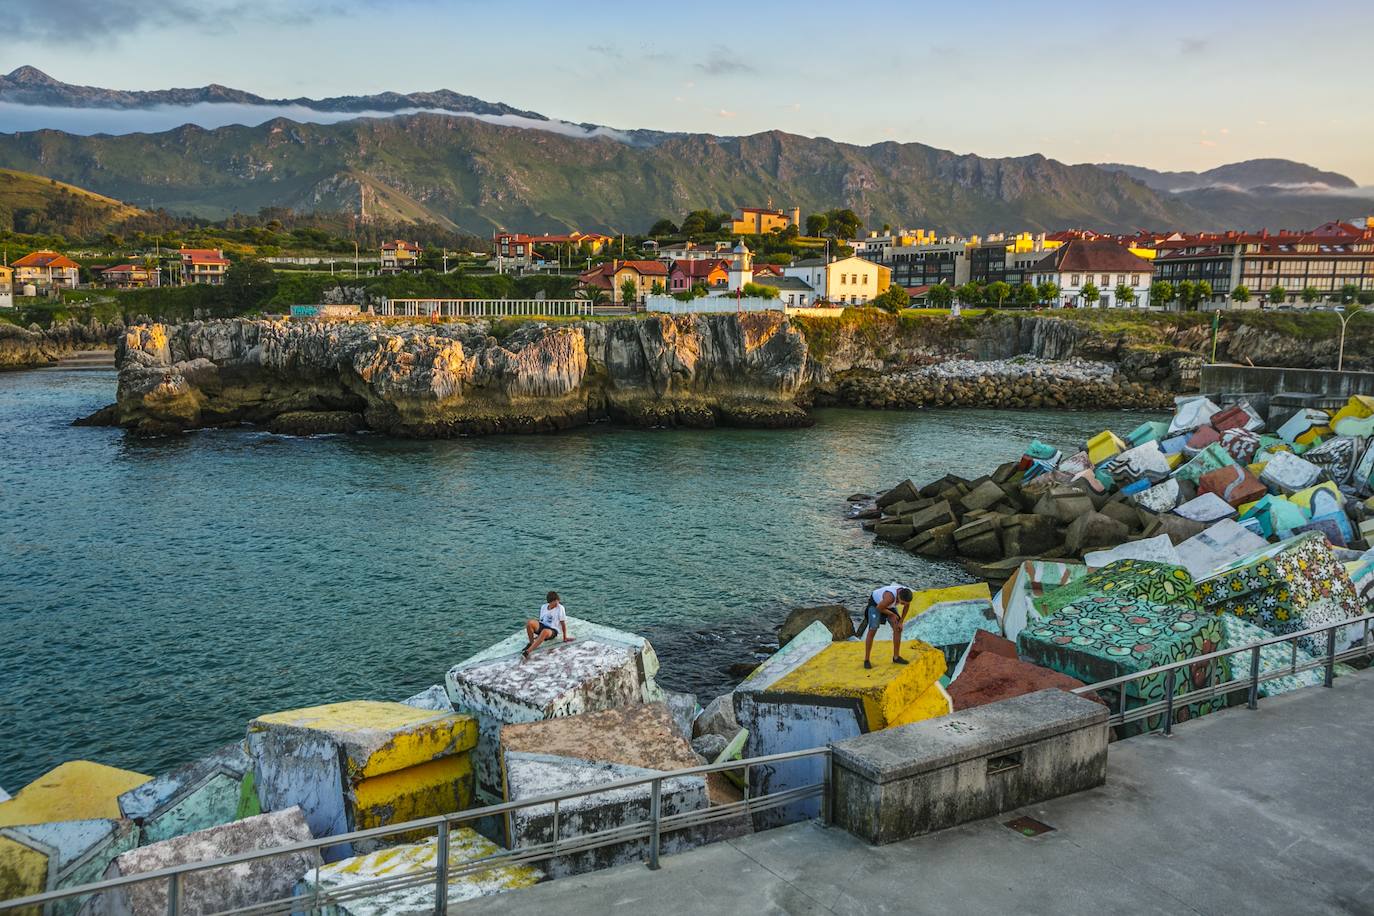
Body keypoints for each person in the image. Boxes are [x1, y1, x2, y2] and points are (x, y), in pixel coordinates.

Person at [861, 584, 913, 669]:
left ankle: (896, 657)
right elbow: (879, 608)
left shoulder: (906, 595)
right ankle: (866, 660)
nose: (903, 605)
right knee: (873, 629)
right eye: (902, 603)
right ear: (899, 596)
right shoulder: (890, 597)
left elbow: (906, 607)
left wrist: (901, 621)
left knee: (898, 629)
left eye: (905, 603)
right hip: (876, 604)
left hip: (888, 606)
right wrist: (892, 614)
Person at [522, 591, 573, 659]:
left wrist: (565, 637)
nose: (557, 602)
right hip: (543, 625)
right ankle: (532, 643)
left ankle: (528, 652)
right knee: (529, 623)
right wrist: (539, 636)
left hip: (552, 630)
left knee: (545, 631)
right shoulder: (544, 607)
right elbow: (541, 620)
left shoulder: (560, 608)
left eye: (557, 600)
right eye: (555, 601)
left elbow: (563, 624)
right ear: (550, 602)